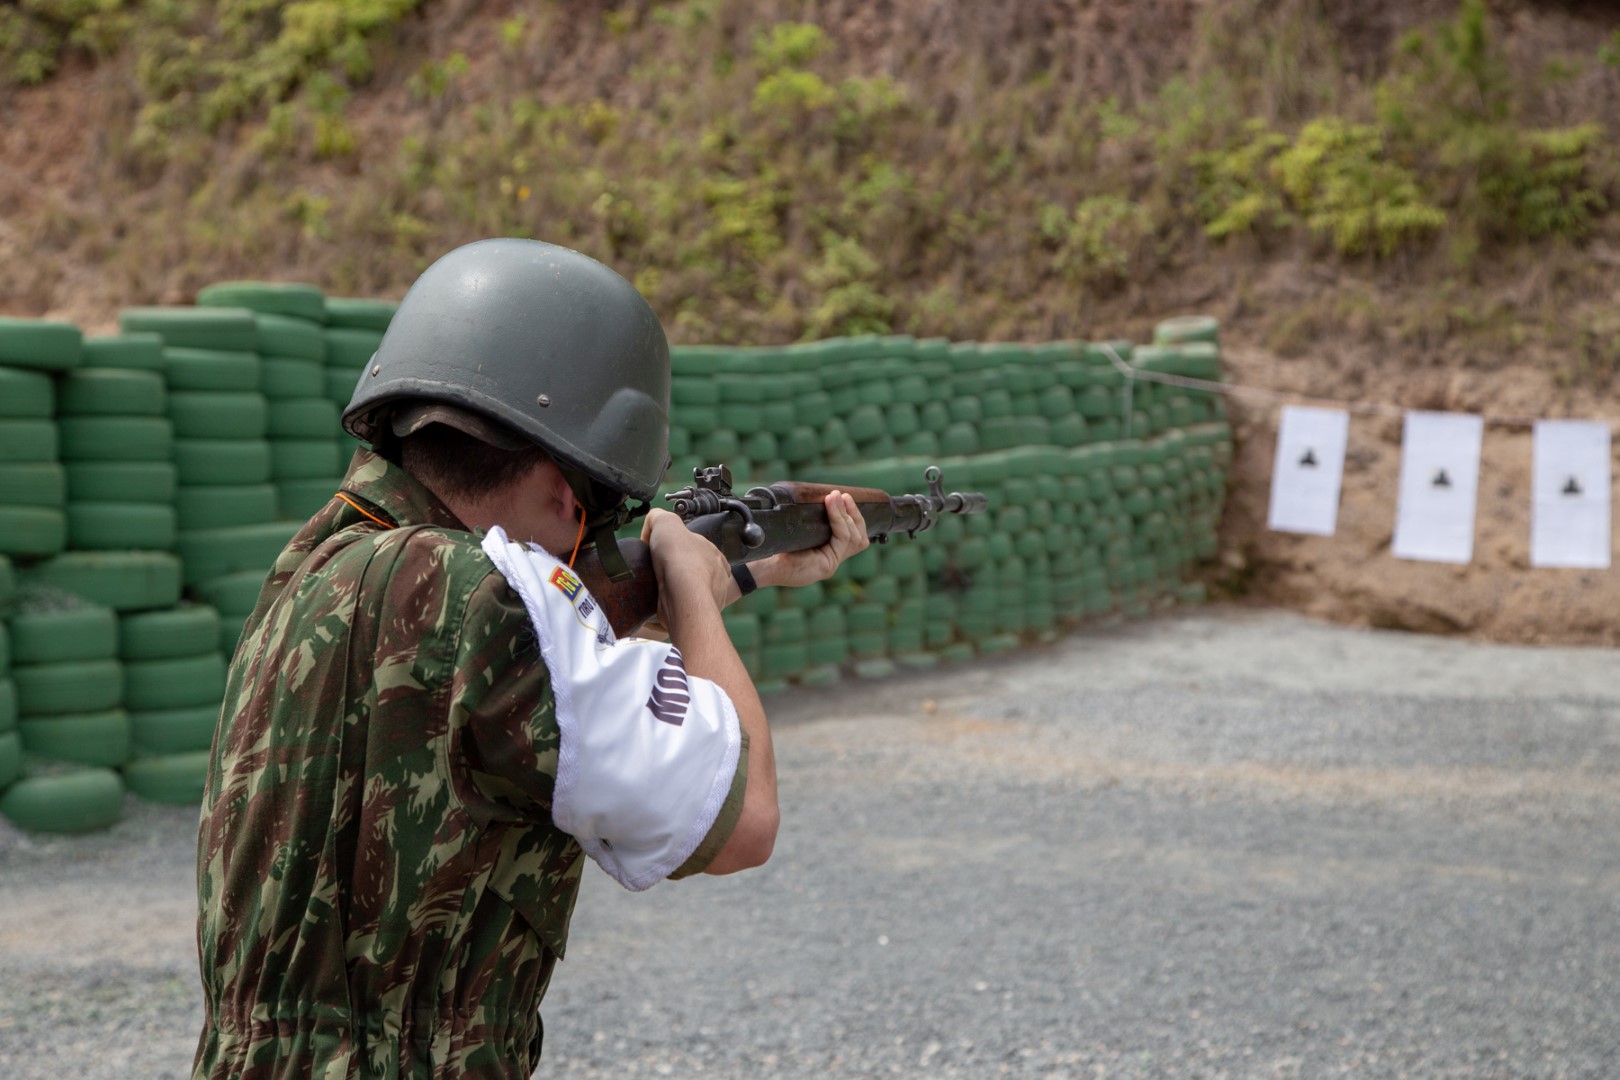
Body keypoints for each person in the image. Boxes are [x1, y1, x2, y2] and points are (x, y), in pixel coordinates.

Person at [193, 238, 869, 1079]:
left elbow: (516, 697)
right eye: (598, 517)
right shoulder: (475, 595)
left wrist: (724, 578)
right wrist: (691, 592)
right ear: (560, 488)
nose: (592, 548)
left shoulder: (317, 572)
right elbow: (742, 817)